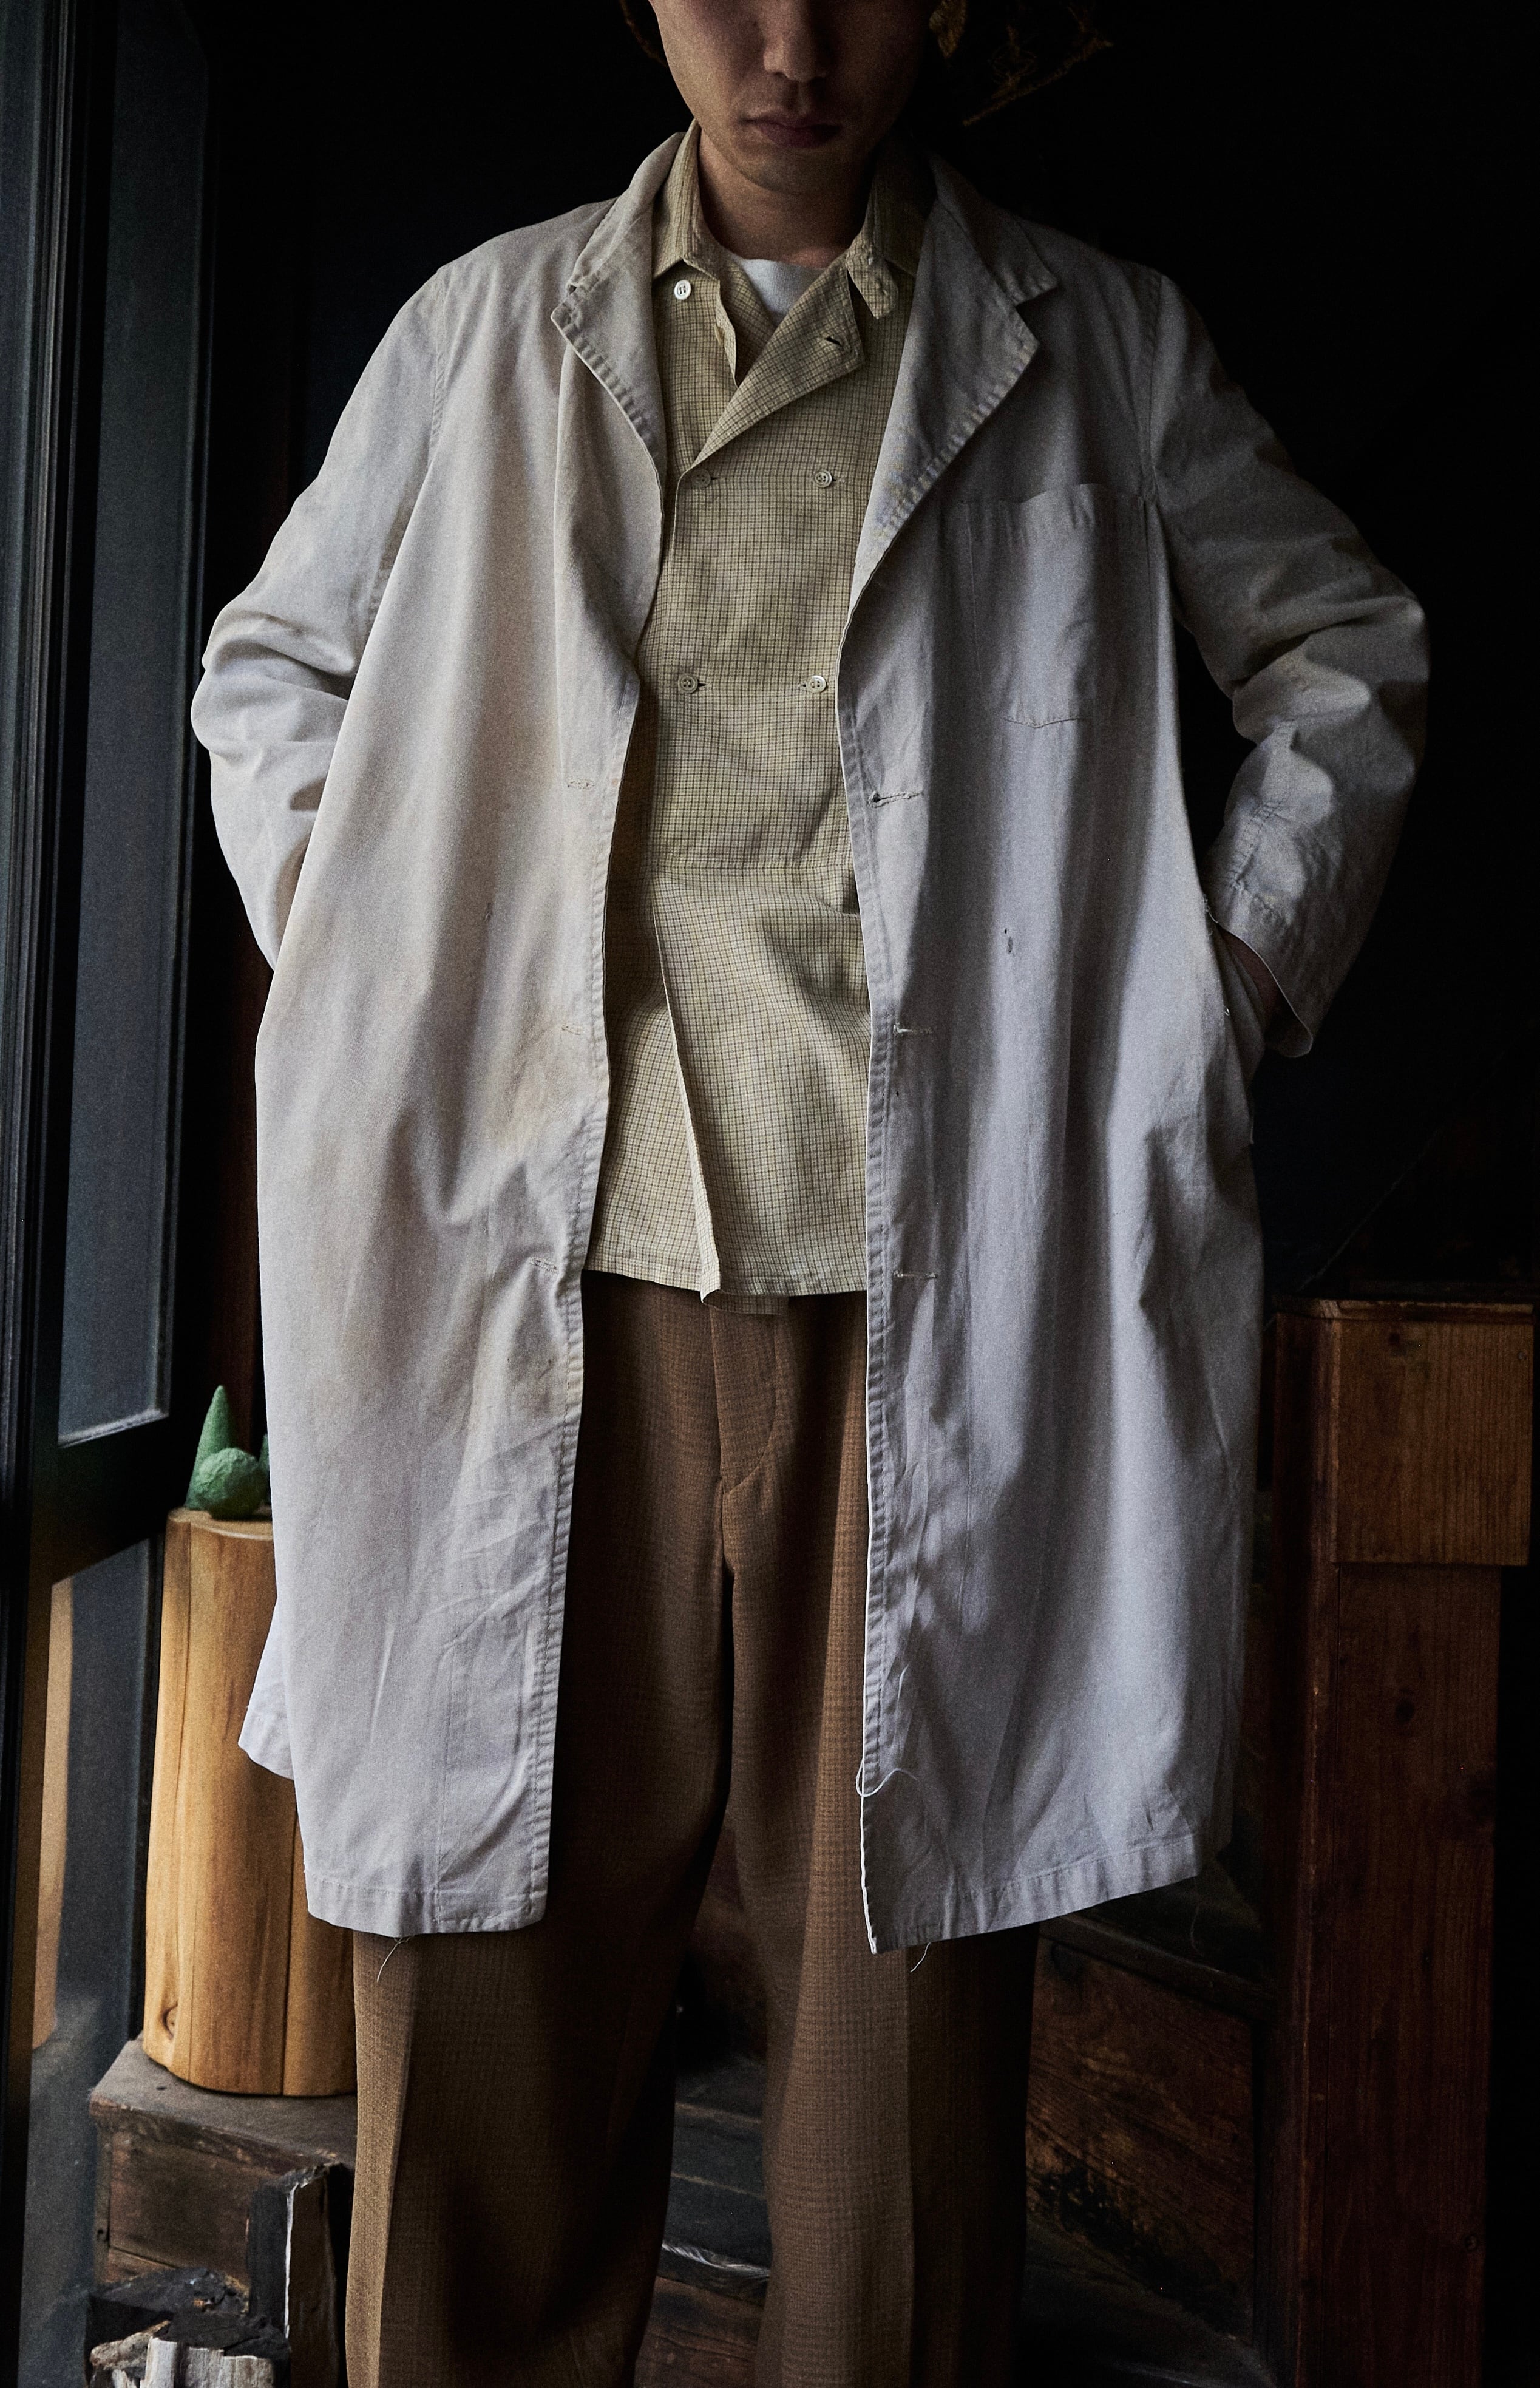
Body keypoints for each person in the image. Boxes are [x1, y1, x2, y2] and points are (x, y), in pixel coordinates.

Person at [190, 1, 1427, 2380]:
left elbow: (1342, 655)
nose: (789, 46)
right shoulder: (489, 329)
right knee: (482, 2011)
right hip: (548, 1287)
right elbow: (272, 673)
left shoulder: (1094, 344)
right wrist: (374, 954)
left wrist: (1225, 981)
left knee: (897, 2073)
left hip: (923, 1300)